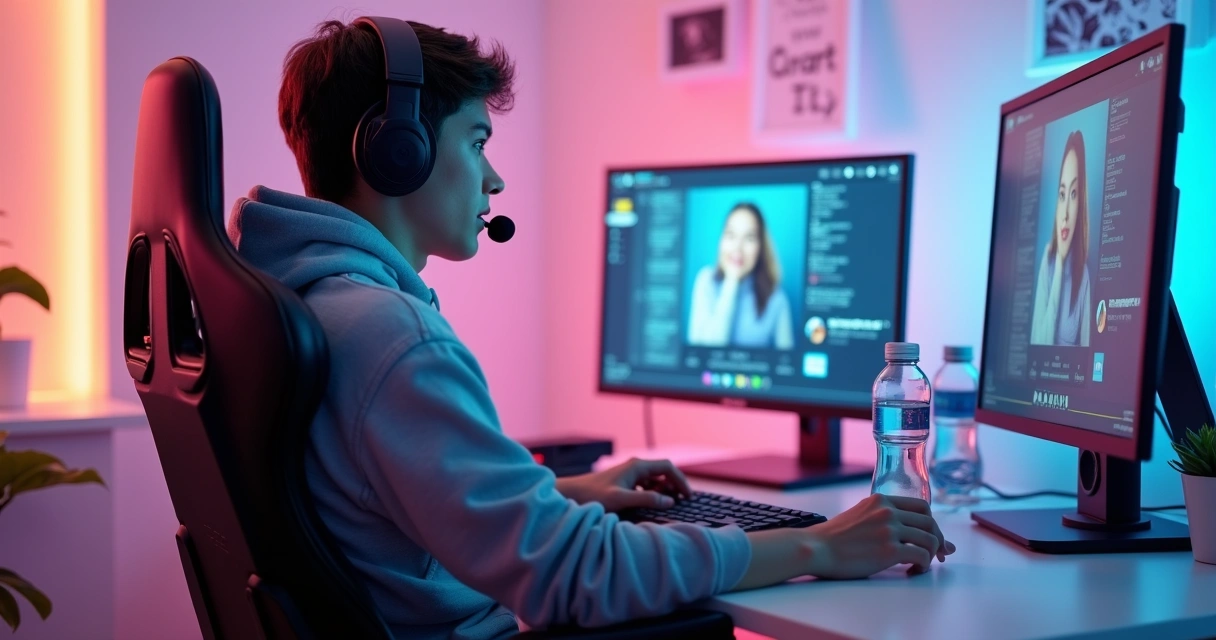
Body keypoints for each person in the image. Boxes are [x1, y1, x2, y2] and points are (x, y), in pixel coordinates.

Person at [227, 17, 954, 639]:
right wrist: (816, 546)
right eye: (477, 141)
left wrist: (563, 494)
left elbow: (395, 508)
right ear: (396, 149)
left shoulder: (306, 304)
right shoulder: (392, 338)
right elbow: (575, 574)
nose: (494, 180)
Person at [688, 203, 795, 350]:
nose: (737, 247)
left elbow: (787, 362)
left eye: (749, 238)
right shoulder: (706, 281)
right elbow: (707, 354)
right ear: (721, 241)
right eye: (731, 235)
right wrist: (731, 281)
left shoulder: (777, 299)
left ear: (760, 247)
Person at [1031, 130, 1093, 347]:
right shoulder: (1047, 262)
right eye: (1062, 194)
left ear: (1081, 205)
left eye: (1074, 195)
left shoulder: (1083, 275)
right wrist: (1059, 264)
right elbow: (1040, 343)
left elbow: (1089, 358)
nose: (1065, 212)